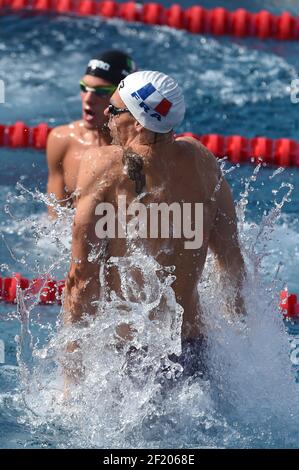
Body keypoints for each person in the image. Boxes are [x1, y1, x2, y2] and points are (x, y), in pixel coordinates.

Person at [63, 70, 245, 383]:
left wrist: (71, 374)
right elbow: (231, 261)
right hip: (194, 350)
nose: (107, 112)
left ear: (137, 122)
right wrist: (240, 342)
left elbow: (82, 278)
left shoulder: (102, 164)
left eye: (115, 108)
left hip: (128, 357)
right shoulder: (203, 160)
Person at [46, 50, 137, 217]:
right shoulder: (62, 140)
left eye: (101, 91)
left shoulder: (140, 149)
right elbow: (54, 221)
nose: (88, 98)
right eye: (84, 88)